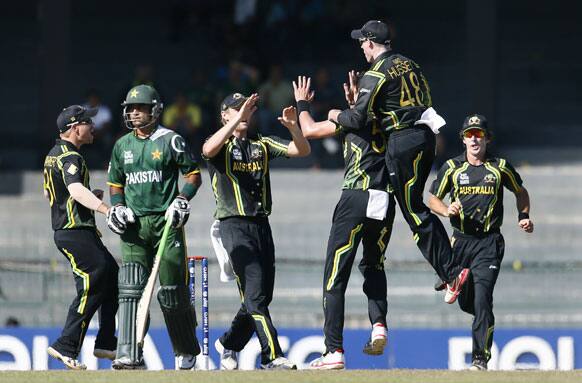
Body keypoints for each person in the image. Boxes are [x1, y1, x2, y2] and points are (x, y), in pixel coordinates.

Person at [327, 20, 469, 303]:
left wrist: (335, 113)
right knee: (414, 204)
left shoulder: (374, 74)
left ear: (369, 43)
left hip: (403, 143)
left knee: (414, 210)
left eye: (362, 43)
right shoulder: (409, 63)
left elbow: (356, 119)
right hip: (426, 137)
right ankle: (449, 269)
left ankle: (452, 271)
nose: (362, 49)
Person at [293, 76, 395, 369]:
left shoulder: (350, 119)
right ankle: (378, 325)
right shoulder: (390, 121)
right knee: (374, 264)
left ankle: (333, 350)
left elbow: (310, 129)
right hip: (384, 199)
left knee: (334, 274)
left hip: (355, 197)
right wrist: (354, 104)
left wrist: (303, 103)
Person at [203, 93, 310, 370]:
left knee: (261, 297)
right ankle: (271, 355)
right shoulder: (221, 145)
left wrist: (292, 127)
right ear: (224, 115)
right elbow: (207, 150)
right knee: (254, 295)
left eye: (247, 109)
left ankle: (229, 343)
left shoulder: (261, 143)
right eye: (237, 110)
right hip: (233, 225)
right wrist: (237, 119)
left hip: (261, 224)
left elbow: (302, 151)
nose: (244, 114)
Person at [107, 84, 203, 370]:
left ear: (155, 110)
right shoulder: (122, 145)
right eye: (130, 109)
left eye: (139, 108)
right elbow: (115, 184)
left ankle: (185, 351)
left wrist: (181, 199)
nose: (134, 113)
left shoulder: (170, 140)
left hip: (166, 222)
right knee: (131, 289)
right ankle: (127, 351)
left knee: (172, 290)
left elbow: (193, 174)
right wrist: (118, 206)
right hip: (134, 227)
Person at [428, 114, 534, 370]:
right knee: (470, 303)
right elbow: (432, 199)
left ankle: (479, 360)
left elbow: (520, 191)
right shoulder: (452, 168)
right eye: (469, 134)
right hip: (460, 243)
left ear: (487, 138)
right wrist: (446, 210)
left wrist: (524, 216)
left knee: (483, 299)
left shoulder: (500, 167)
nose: (474, 139)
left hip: (489, 243)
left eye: (479, 134)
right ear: (463, 140)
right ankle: (457, 280)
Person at [43, 105, 119, 370]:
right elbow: (74, 189)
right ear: (75, 129)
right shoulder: (71, 156)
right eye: (88, 122)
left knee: (110, 272)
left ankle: (106, 342)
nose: (93, 127)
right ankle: (66, 344)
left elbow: (55, 195)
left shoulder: (54, 154)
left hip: (73, 230)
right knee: (95, 278)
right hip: (74, 232)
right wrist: (106, 209)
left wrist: (88, 200)